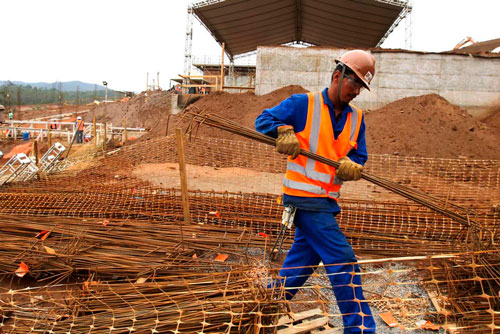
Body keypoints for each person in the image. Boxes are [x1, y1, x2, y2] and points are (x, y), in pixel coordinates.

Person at [255, 50, 376, 334]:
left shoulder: (357, 119)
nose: (357, 91)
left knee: (302, 261)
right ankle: (361, 329)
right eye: (354, 84)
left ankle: (263, 307)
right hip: (304, 200)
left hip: (327, 201)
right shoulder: (302, 104)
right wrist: (282, 130)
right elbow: (262, 121)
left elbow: (360, 156)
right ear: (337, 76)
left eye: (361, 87)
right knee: (343, 259)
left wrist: (352, 165)